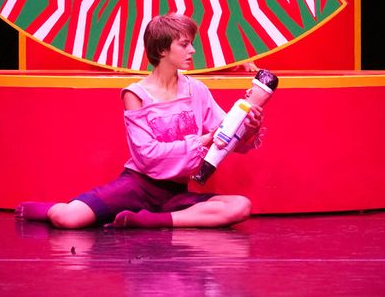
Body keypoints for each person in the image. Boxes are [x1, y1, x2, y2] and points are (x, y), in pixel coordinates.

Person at [14, 12, 266, 229]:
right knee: (68, 218)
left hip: (176, 193)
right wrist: (206, 139)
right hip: (137, 186)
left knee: (240, 206)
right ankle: (45, 209)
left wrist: (247, 130)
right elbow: (147, 155)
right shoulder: (136, 94)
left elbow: (225, 138)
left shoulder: (197, 90)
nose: (192, 50)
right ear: (162, 50)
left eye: (191, 44)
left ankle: (151, 220)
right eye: (184, 44)